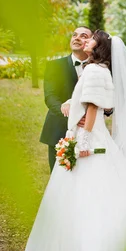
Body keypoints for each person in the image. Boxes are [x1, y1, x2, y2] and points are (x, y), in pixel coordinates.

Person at [23, 30, 126, 251]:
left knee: (84, 190)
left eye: (91, 39)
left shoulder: (92, 70)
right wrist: (71, 103)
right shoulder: (102, 70)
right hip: (100, 134)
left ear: (98, 47)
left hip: (88, 137)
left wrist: (83, 140)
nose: (86, 40)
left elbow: (91, 107)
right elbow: (105, 104)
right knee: (106, 189)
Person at [39, 26, 112, 171]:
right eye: (74, 35)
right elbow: (50, 96)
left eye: (84, 36)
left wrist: (107, 109)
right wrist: (70, 112)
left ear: (93, 43)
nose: (77, 38)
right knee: (60, 178)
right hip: (59, 130)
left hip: (89, 131)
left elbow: (106, 99)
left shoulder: (101, 68)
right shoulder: (55, 66)